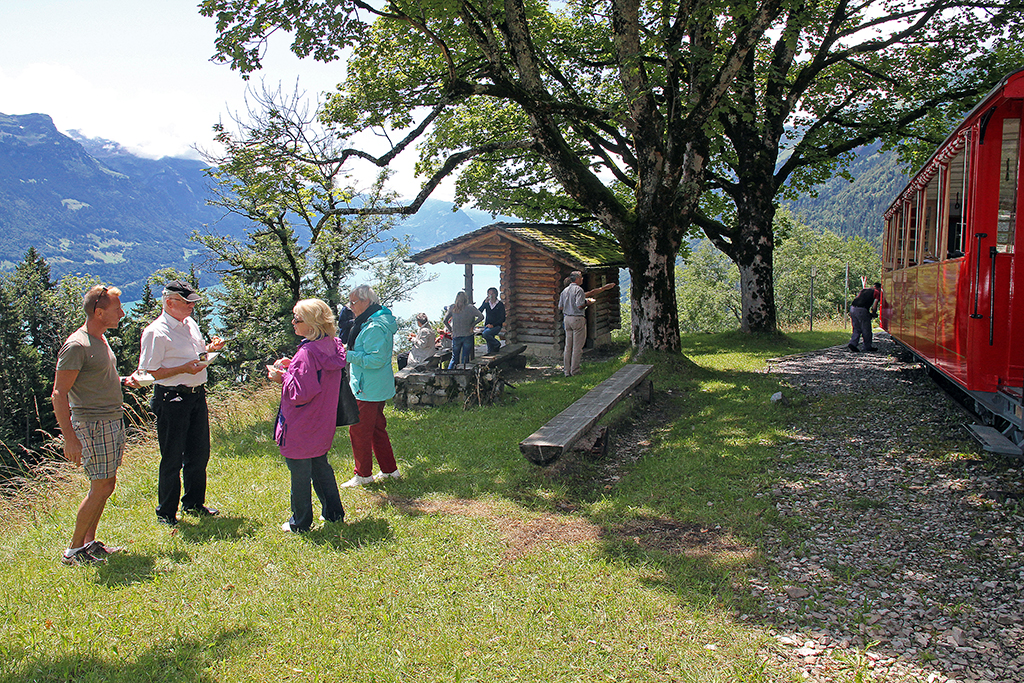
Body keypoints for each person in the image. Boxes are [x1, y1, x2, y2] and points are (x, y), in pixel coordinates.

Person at [52, 285, 140, 565]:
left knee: (107, 484)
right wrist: (70, 438)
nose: (122, 314)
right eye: (117, 309)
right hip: (93, 424)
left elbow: (96, 377)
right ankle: (73, 551)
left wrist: (123, 380)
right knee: (100, 486)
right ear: (99, 312)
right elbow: (59, 393)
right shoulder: (77, 345)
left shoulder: (100, 339)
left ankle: (89, 543)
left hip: (110, 419)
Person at [138, 280, 226, 526]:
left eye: (192, 303)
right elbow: (149, 372)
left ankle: (194, 503)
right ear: (169, 302)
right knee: (172, 456)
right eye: (187, 302)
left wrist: (209, 349)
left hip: (196, 394)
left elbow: (194, 356)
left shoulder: (190, 324)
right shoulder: (156, 332)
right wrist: (183, 369)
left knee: (199, 452)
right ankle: (166, 512)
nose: (191, 307)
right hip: (171, 398)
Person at [268, 299, 346, 532]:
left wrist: (281, 377)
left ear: (311, 324)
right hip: (322, 421)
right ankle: (334, 514)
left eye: (297, 319)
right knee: (320, 466)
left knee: (300, 473)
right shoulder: (333, 345)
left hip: (301, 423)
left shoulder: (307, 352)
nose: (293, 322)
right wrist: (292, 365)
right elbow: (316, 375)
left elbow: (299, 394)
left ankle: (300, 523)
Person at [342, 284, 401, 487]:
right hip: (374, 385)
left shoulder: (375, 326)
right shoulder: (372, 320)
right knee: (376, 429)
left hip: (368, 388)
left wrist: (347, 355)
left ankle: (363, 475)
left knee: (358, 431)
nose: (350, 307)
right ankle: (389, 470)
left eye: (353, 302)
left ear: (366, 301)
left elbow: (376, 360)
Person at [443, 291, 483, 368]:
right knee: (465, 358)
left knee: (454, 358)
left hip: (456, 335)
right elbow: (481, 317)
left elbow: (445, 320)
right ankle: (463, 372)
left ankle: (449, 372)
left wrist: (451, 330)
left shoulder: (452, 307)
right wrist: (472, 325)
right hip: (467, 334)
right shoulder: (470, 308)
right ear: (465, 299)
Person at [849, 280, 882, 352]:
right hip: (862, 309)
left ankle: (853, 343)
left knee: (856, 328)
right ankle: (867, 347)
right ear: (879, 288)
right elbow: (875, 304)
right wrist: (874, 313)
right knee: (866, 329)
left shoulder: (864, 290)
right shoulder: (877, 292)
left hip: (852, 308)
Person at [478, 287, 506, 354]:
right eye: (489, 294)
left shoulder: (500, 304)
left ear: (496, 294)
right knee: (489, 341)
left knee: (485, 334)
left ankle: (497, 344)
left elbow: (502, 318)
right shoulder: (487, 303)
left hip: (496, 326)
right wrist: (484, 303)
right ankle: (491, 353)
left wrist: (493, 325)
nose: (490, 296)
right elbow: (479, 311)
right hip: (487, 325)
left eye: (492, 294)